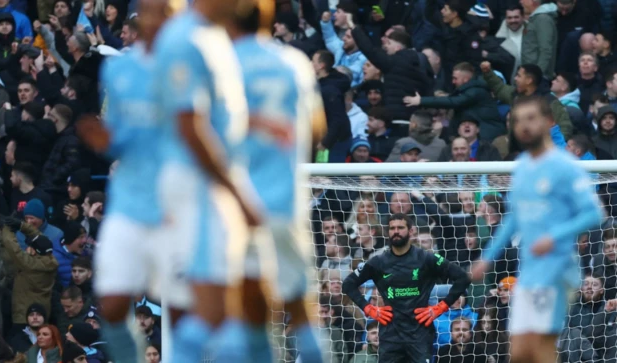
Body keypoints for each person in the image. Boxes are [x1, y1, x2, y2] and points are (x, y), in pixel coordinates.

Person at [151, 0, 261, 360]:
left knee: (220, 310)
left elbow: (215, 118)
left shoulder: (208, 37)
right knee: (216, 306)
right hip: (197, 184)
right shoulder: (185, 39)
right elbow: (189, 125)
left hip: (207, 182)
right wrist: (236, 193)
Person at [225, 5, 325, 363]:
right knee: (300, 311)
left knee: (247, 314)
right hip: (286, 204)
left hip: (237, 209)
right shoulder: (295, 62)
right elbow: (317, 129)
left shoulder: (222, 63)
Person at [471, 95, 604, 363]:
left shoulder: (565, 166)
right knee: (519, 353)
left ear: (547, 122)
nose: (524, 126)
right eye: (519, 120)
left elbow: (593, 213)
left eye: (531, 118)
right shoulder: (521, 169)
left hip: (557, 271)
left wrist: (552, 236)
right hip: (528, 274)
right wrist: (486, 258)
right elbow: (513, 219)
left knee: (540, 348)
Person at [342, 213, 471, 362]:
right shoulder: (378, 262)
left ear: (410, 231)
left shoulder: (426, 258)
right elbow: (348, 284)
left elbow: (463, 277)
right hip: (390, 336)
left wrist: (441, 307)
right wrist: (368, 308)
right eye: (392, 228)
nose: (396, 231)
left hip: (420, 335)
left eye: (400, 227)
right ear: (388, 231)